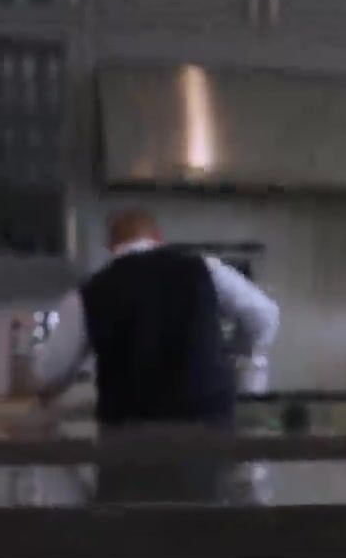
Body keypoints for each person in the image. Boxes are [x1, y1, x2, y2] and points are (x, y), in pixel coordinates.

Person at [31, 208, 280, 503]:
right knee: (204, 519)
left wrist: (45, 392)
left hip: (128, 439)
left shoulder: (90, 292)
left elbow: (50, 372)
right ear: (159, 239)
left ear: (110, 246)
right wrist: (235, 354)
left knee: (131, 524)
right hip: (206, 427)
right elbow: (264, 316)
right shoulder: (203, 269)